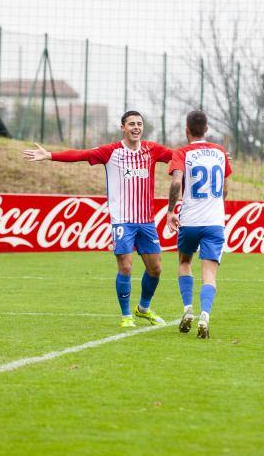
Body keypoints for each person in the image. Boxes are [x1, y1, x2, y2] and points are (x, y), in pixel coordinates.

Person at [23, 111, 174, 328]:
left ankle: (143, 308)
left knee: (156, 269)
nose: (136, 127)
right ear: (122, 127)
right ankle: (126, 317)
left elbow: (178, 156)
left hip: (146, 221)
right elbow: (80, 154)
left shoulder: (152, 150)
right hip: (122, 220)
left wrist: (211, 155)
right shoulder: (110, 152)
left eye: (139, 124)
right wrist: (50, 155)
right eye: (131, 124)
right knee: (125, 267)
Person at [166, 110, 232, 339]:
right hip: (214, 222)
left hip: (190, 221)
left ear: (187, 130)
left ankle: (187, 309)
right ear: (207, 129)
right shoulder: (221, 152)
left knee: (185, 262)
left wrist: (170, 211)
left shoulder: (182, 152)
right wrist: (217, 206)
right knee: (210, 272)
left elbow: (176, 183)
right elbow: (224, 188)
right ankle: (205, 315)